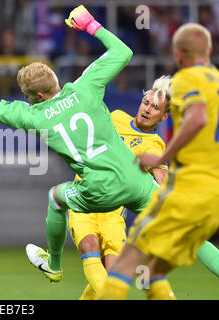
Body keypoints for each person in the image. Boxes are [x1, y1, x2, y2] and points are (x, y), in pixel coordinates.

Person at [0, 5, 160, 282]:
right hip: (132, 179)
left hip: (98, 189)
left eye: (26, 94)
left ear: (38, 95)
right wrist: (91, 25)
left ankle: (54, 265)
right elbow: (123, 53)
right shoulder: (84, 86)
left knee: (56, 197)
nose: (25, 97)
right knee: (194, 242)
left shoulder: (33, 117)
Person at [99, 22, 219, 300]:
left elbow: (197, 118)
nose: (149, 108)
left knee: (126, 262)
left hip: (190, 185)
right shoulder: (214, 79)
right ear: (209, 50)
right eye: (147, 102)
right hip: (212, 193)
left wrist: (162, 158)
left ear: (178, 54)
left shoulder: (187, 79)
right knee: (155, 271)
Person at [66, 75, 171, 300]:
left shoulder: (156, 147)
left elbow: (163, 183)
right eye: (146, 103)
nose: (147, 110)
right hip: (84, 198)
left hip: (113, 212)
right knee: (89, 245)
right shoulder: (116, 118)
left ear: (164, 116)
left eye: (155, 108)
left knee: (111, 275)